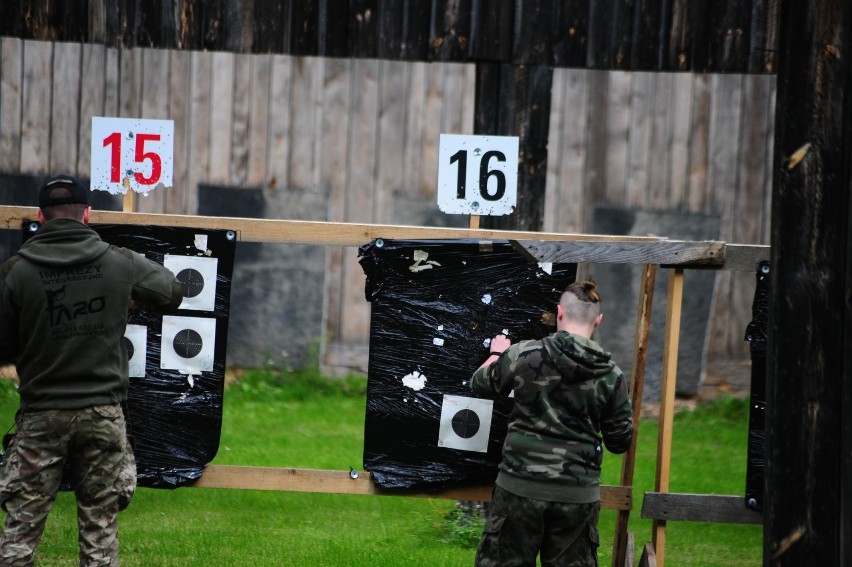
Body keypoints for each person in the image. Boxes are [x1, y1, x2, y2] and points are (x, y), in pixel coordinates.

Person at [0, 174, 183, 566]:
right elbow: (173, 291)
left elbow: (3, 346)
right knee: (100, 527)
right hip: (103, 414)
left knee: (20, 530)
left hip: (40, 416)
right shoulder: (119, 262)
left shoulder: (15, 271)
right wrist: (125, 298)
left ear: (39, 216)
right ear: (87, 214)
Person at [471, 280, 633, 567]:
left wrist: (496, 355)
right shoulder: (612, 375)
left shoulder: (524, 354)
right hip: (577, 494)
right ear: (598, 320)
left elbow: (481, 384)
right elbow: (620, 442)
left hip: (520, 488)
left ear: (559, 312)